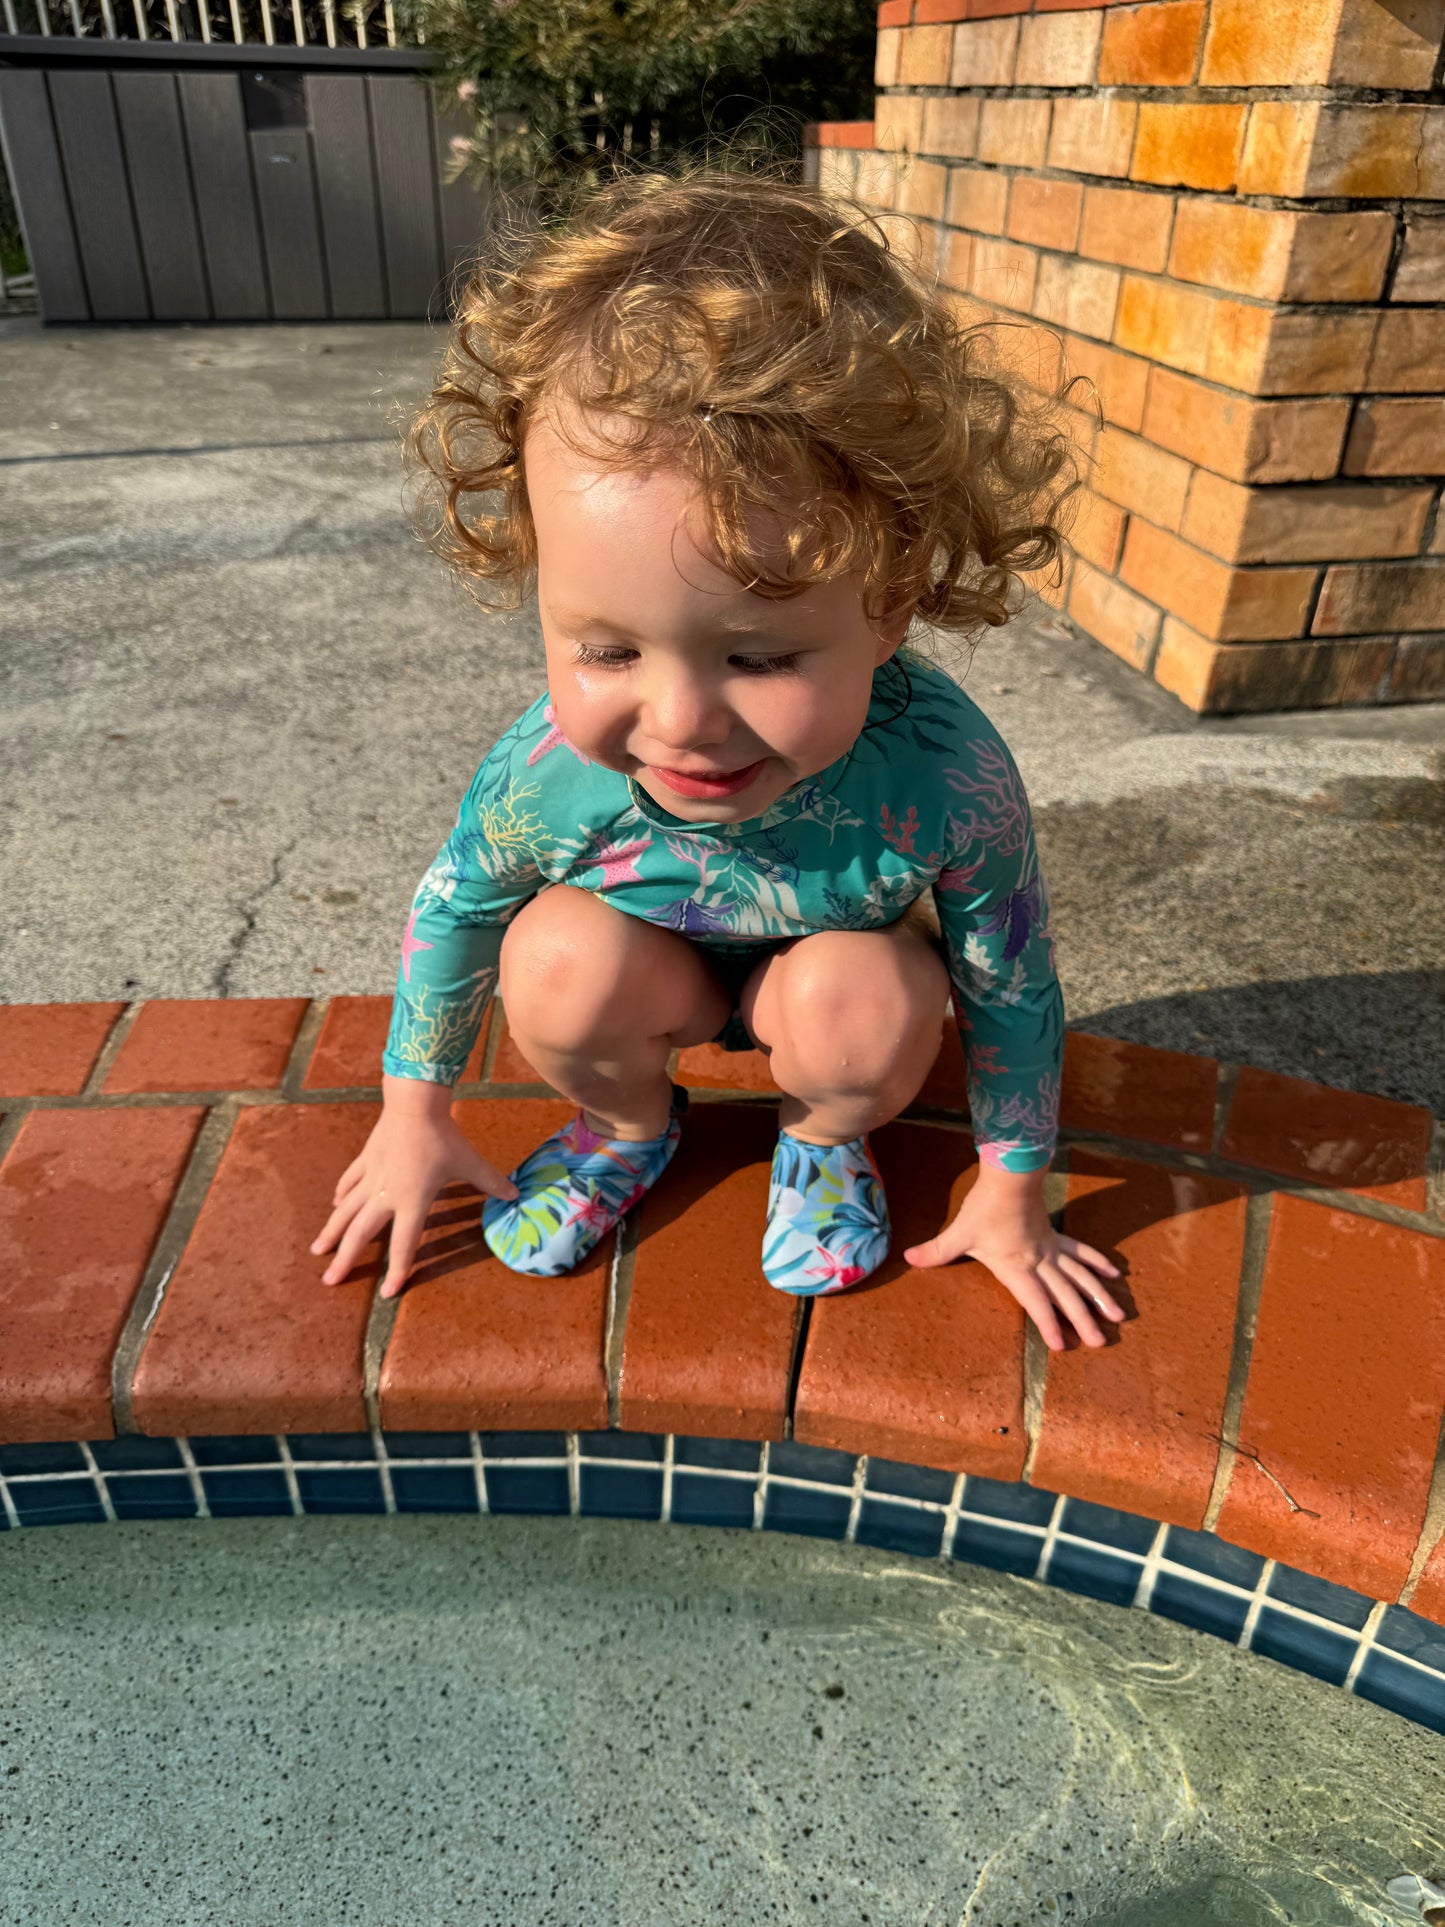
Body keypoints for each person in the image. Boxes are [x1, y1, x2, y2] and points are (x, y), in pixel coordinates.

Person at [310, 168, 1124, 1352]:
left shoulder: (944, 777)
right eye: (604, 646)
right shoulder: (547, 774)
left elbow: (1008, 980)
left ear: (889, 603)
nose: (679, 718)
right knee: (550, 959)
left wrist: (1011, 1191)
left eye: (756, 655)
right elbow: (452, 913)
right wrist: (408, 1112)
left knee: (864, 1002)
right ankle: (625, 1127)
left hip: (837, 985)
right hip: (651, 972)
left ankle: (823, 1137)